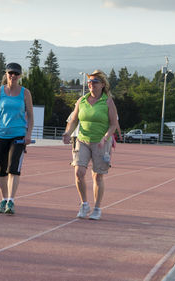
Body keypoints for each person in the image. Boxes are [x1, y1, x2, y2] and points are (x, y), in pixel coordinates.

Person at [62, 69, 120, 220]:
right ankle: (84, 203)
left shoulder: (108, 101)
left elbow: (113, 124)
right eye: (89, 82)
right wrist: (68, 133)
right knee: (79, 172)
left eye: (94, 82)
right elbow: (74, 120)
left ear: (102, 85)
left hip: (100, 142)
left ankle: (97, 208)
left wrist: (105, 138)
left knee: (97, 176)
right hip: (82, 140)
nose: (91, 85)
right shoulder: (82, 100)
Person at [0, 63, 34, 215]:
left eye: (16, 73)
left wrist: (28, 134)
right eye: (11, 73)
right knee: (1, 170)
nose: (13, 76)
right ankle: (3, 199)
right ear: (6, 73)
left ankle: (11, 200)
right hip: (0, 134)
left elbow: (30, 115)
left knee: (14, 168)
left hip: (18, 134)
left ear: (20, 76)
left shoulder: (25, 93)